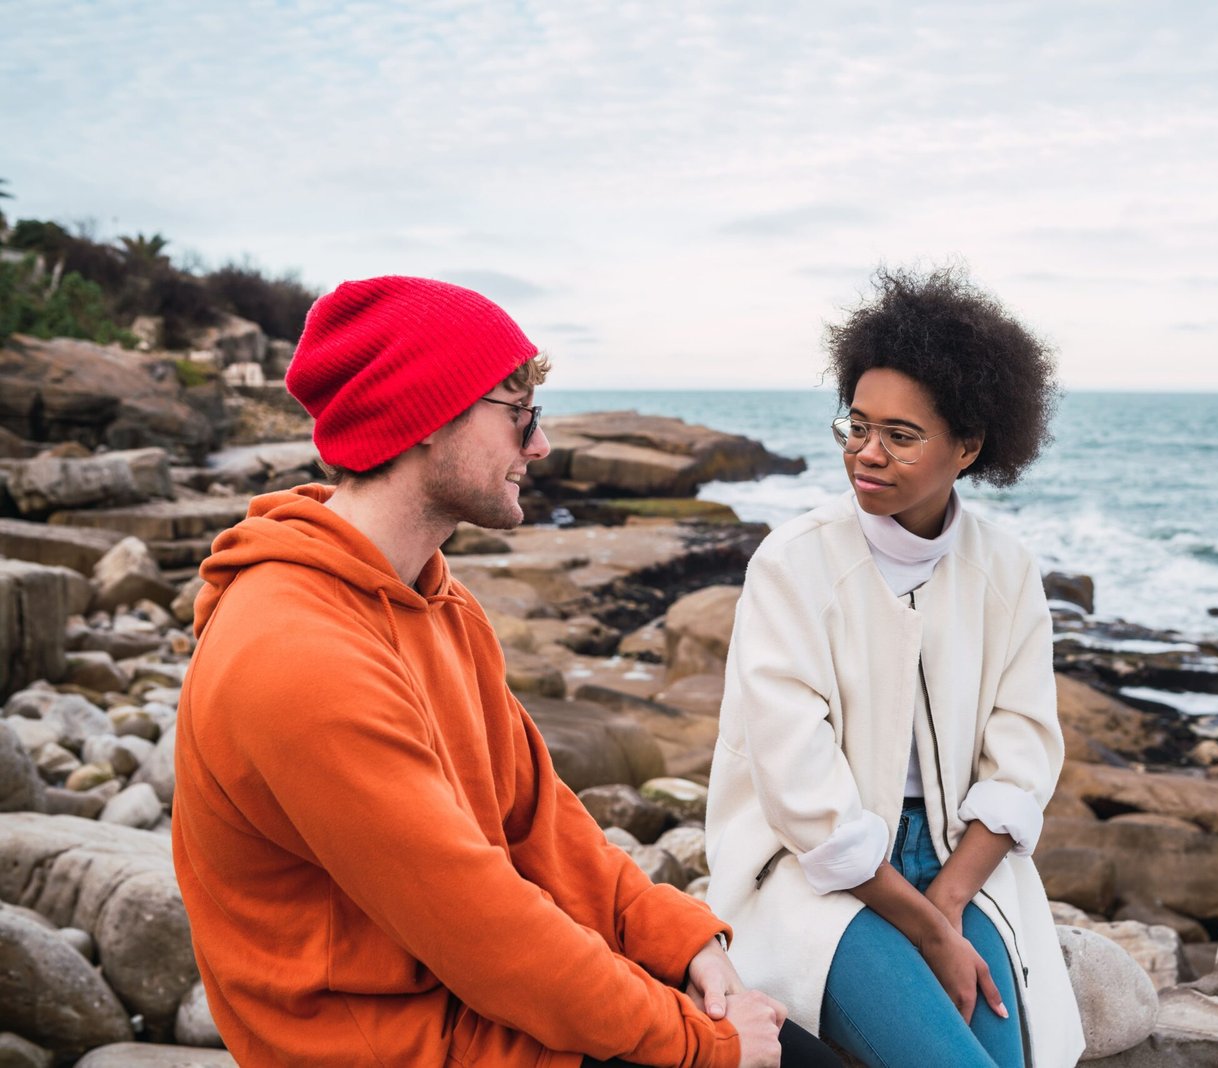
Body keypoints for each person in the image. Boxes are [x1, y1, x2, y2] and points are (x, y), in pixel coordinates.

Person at [172, 276, 838, 1068]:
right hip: (394, 1043)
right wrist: (705, 1046)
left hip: (473, 1003)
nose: (540, 444)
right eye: (518, 412)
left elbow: (536, 819)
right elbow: (482, 927)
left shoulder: (438, 602)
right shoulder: (298, 655)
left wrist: (682, 942)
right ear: (423, 416)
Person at [705, 266, 1087, 1068]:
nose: (866, 454)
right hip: (814, 876)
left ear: (969, 448)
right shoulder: (793, 564)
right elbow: (803, 796)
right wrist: (930, 931)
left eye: (900, 436)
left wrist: (949, 898)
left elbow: (1023, 755)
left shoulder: (1005, 569)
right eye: (856, 426)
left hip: (960, 860)